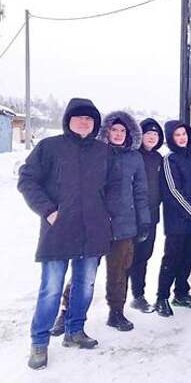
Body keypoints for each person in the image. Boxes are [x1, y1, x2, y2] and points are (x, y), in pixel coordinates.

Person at [18, 98, 114, 370]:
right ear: (67, 120)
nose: (84, 122)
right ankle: (39, 341)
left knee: (84, 286)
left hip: (93, 230)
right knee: (51, 289)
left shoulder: (103, 151)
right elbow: (27, 180)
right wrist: (48, 210)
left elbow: (112, 188)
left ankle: (74, 331)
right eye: (78, 117)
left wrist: (107, 216)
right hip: (59, 229)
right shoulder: (50, 147)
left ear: (95, 123)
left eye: (89, 118)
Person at [98, 111, 151, 331]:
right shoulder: (96, 154)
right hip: (96, 223)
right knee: (85, 273)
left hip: (125, 225)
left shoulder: (134, 157)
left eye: (123, 130)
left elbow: (140, 191)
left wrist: (144, 221)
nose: (119, 134)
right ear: (107, 131)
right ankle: (67, 312)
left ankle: (116, 313)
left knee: (120, 271)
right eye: (115, 130)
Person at [155, 120, 191, 317]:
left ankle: (181, 294)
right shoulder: (170, 160)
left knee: (189, 257)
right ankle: (161, 297)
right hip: (178, 220)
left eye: (184, 134)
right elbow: (173, 191)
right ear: (171, 138)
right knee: (172, 259)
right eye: (177, 135)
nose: (181, 138)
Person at [128, 118, 164, 313]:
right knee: (125, 258)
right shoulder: (132, 156)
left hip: (151, 217)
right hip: (130, 217)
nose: (151, 137)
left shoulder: (158, 158)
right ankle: (118, 300)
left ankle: (138, 295)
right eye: (147, 133)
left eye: (155, 134)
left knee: (143, 256)